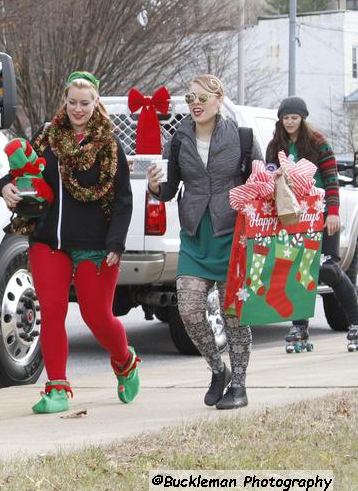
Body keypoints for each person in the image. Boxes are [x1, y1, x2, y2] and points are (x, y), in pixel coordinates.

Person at [0, 71, 138, 414]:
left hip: (95, 245)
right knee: (54, 312)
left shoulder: (109, 145)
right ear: (65, 101)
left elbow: (122, 199)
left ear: (96, 103)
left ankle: (125, 362)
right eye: (72, 102)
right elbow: (25, 171)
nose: (78, 109)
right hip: (48, 240)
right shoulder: (49, 138)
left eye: (85, 103)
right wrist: (6, 187)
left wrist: (116, 245)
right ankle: (57, 388)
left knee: (97, 317)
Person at [148, 74, 260, 410]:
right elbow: (167, 190)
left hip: (233, 237)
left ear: (218, 99)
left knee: (235, 317)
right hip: (196, 235)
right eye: (190, 98)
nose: (195, 103)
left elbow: (259, 181)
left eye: (202, 97)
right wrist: (155, 185)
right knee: (189, 309)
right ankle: (217, 368)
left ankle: (239, 386)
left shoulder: (242, 137)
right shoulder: (179, 140)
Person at [266, 96, 358, 351]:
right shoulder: (276, 145)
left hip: (321, 214)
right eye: (286, 118)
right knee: (298, 270)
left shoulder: (318, 143)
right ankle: (299, 327)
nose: (290, 122)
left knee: (327, 268)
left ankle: (356, 321)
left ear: (303, 119)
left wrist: (334, 213)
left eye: (294, 118)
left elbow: (331, 180)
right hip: (292, 218)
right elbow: (268, 174)